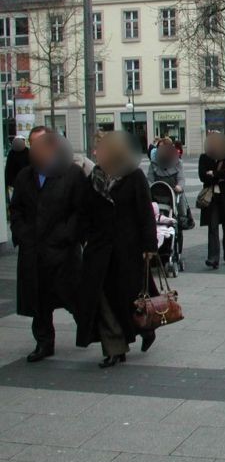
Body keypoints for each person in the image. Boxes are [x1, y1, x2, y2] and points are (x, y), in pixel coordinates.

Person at [77, 131, 158, 368]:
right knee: (103, 300)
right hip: (99, 251)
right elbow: (85, 212)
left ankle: (147, 329)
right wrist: (83, 236)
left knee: (131, 300)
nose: (96, 153)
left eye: (100, 149)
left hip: (127, 251)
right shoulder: (94, 179)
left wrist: (149, 247)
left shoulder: (133, 177)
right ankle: (115, 348)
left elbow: (145, 214)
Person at [10, 130, 87, 362]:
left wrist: (67, 235)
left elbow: (82, 211)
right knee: (39, 300)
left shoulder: (71, 174)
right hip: (34, 252)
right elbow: (16, 209)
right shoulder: (25, 176)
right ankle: (43, 342)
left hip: (63, 252)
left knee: (75, 297)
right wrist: (23, 234)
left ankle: (96, 332)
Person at [199, 132, 225, 268]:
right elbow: (202, 176)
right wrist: (219, 176)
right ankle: (213, 258)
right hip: (212, 198)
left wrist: (213, 173)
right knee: (212, 227)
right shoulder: (204, 158)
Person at [147, 140, 189, 224]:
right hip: (157, 193)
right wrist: (150, 187)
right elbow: (149, 179)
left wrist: (179, 186)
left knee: (180, 197)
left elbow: (181, 178)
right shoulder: (153, 163)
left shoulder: (178, 163)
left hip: (173, 192)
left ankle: (182, 217)